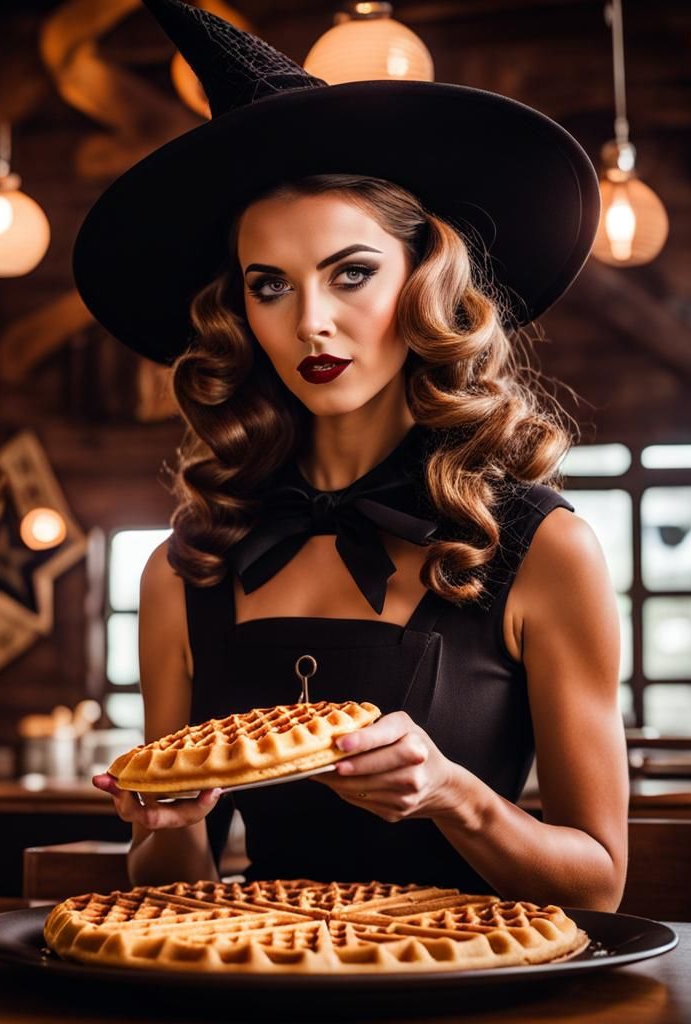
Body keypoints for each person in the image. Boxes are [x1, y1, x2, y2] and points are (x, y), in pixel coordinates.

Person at [77, 0, 627, 911]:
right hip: (252, 995)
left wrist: (456, 797)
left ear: (424, 279)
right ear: (238, 313)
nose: (311, 323)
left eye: (351, 272)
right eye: (269, 286)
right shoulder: (186, 568)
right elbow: (173, 894)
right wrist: (163, 829)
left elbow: (601, 885)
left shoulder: (545, 550)